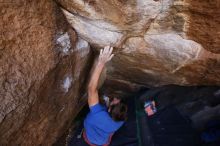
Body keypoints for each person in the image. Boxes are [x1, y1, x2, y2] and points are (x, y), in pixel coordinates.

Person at [83, 46, 128, 146]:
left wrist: (101, 63)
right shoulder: (121, 121)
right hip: (103, 142)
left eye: (115, 101)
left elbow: (91, 89)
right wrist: (109, 104)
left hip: (89, 138)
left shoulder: (97, 114)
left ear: (109, 110)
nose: (117, 98)